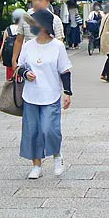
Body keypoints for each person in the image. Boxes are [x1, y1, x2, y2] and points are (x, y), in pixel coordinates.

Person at [17, 10, 73, 179]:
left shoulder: (58, 46)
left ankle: (57, 154)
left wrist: (68, 92)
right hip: (31, 94)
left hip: (51, 94)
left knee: (49, 129)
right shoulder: (28, 45)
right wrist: (26, 73)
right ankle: (36, 165)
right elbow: (20, 66)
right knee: (32, 130)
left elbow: (65, 70)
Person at [12, 0, 64, 70]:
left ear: (47, 2)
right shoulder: (25, 18)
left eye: (40, 0)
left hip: (48, 62)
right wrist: (14, 60)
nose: (37, 2)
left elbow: (59, 41)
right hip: (29, 61)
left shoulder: (54, 19)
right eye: (35, 0)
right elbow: (19, 40)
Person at [0, 9, 26, 81]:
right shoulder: (24, 28)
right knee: (20, 80)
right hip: (21, 58)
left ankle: (10, 91)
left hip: (10, 59)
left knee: (10, 81)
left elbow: (3, 45)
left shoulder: (8, 29)